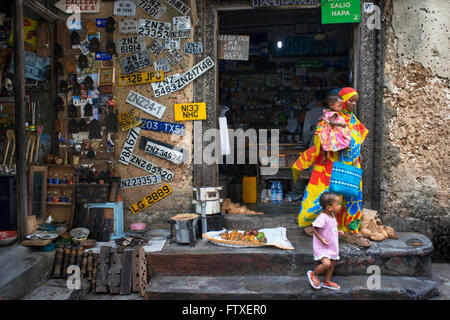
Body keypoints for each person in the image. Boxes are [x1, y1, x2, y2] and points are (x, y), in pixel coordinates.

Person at [292, 87, 370, 247]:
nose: (354, 104)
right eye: (351, 100)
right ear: (341, 101)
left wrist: (358, 152)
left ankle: (352, 231)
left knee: (354, 198)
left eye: (356, 101)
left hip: (352, 167)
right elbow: (319, 136)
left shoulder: (353, 119)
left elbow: (357, 138)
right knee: (327, 197)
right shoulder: (333, 117)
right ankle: (313, 223)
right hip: (333, 167)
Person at [307, 192, 344, 290]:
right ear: (329, 207)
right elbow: (314, 228)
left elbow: (330, 229)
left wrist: (337, 232)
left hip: (331, 246)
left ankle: (327, 281)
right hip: (322, 246)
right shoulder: (322, 217)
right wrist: (321, 238)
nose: (340, 206)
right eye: (338, 204)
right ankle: (313, 274)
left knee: (332, 265)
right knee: (326, 264)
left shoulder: (332, 216)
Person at [318, 93, 351, 164]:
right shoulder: (334, 113)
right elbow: (332, 122)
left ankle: (324, 157)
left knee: (325, 145)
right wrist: (341, 124)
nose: (341, 108)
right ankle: (339, 158)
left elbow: (320, 118)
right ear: (332, 105)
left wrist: (322, 118)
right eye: (339, 106)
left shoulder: (326, 111)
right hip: (332, 131)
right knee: (342, 142)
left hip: (325, 131)